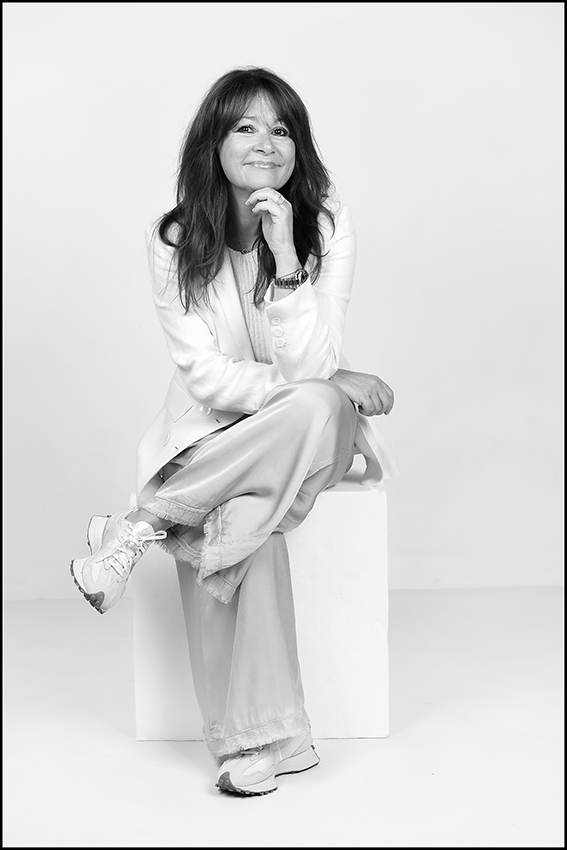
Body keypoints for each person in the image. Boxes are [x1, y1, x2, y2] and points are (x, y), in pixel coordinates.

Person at [70, 66, 397, 796]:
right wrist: (328, 382)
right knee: (244, 522)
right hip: (213, 437)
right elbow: (208, 379)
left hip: (311, 439)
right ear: (213, 145)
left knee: (317, 406)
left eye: (281, 129)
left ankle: (145, 522)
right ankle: (272, 741)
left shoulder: (327, 226)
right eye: (245, 127)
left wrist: (287, 260)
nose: (264, 143)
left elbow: (313, 369)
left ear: (298, 147)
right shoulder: (174, 239)